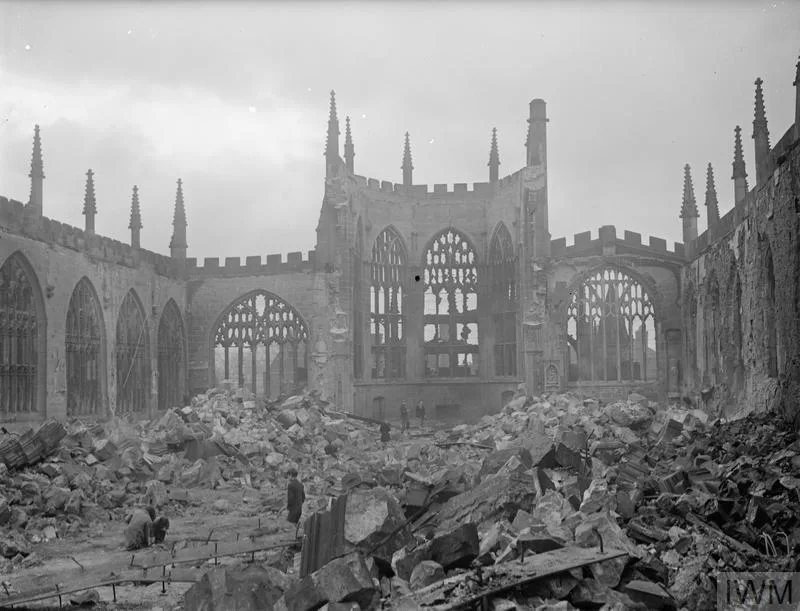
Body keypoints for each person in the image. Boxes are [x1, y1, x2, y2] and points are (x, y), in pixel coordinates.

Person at [286, 468, 305, 539]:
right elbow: (303, 497)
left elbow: (290, 499)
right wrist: (299, 504)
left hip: (293, 510)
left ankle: (296, 541)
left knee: (290, 526)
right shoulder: (300, 485)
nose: (287, 477)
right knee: (295, 525)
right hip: (299, 510)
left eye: (288, 475)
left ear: (290, 475)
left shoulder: (290, 485)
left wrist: (288, 508)